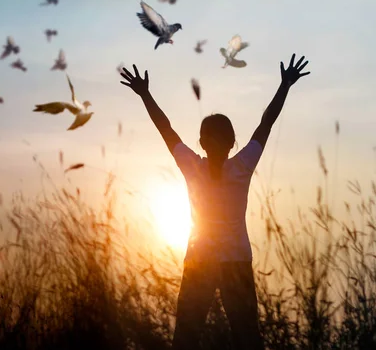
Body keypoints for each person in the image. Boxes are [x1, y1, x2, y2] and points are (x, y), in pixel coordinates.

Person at [119, 54, 310, 350]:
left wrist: (145, 94)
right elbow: (265, 124)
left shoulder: (194, 166)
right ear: (232, 142)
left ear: (202, 141)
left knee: (187, 336)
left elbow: (166, 130)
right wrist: (284, 85)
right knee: (245, 337)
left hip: (201, 261)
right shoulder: (241, 166)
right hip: (231, 261)